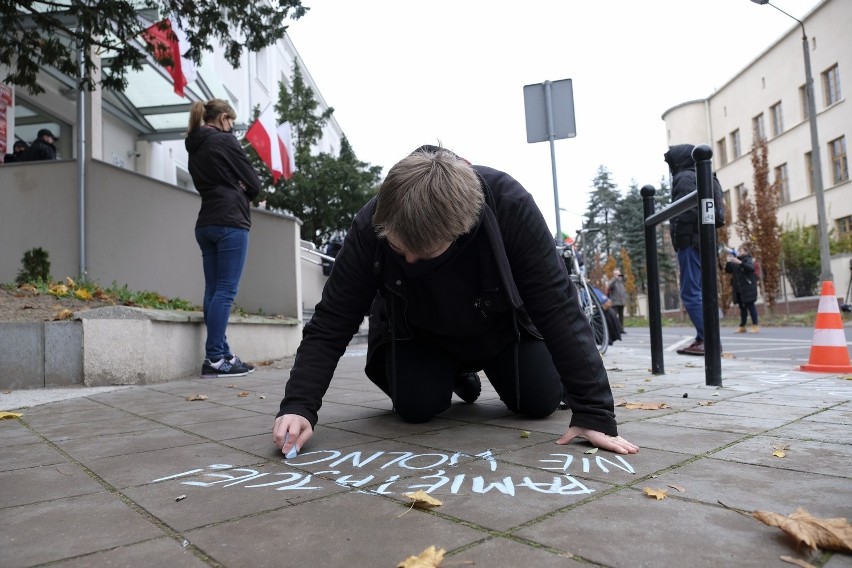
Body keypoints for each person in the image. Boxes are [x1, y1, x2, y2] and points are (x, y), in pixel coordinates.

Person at [273, 146, 639, 457]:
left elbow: (558, 306)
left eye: (425, 253)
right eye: (400, 250)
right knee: (415, 408)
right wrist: (299, 406)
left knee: (539, 403)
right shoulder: (371, 222)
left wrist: (593, 411)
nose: (410, 262)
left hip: (501, 329)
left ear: (462, 229)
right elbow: (333, 318)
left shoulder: (509, 205)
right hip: (419, 333)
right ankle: (454, 376)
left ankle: (477, 372)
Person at [185, 99, 261, 378]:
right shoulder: (225, 141)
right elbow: (253, 181)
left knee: (213, 290)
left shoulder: (195, 144)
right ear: (224, 118)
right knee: (226, 291)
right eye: (232, 122)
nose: (233, 128)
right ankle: (215, 358)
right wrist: (243, 188)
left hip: (206, 222)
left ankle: (223, 353)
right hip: (230, 220)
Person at [665, 143, 722, 356]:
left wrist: (681, 239)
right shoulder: (701, 174)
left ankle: (709, 340)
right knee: (702, 292)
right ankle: (703, 338)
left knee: (691, 293)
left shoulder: (685, 177)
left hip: (691, 241)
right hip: (703, 241)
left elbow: (687, 212)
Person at [726, 244, 759, 333]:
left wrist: (740, 263)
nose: (739, 252)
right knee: (742, 308)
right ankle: (742, 326)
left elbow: (751, 268)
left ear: (746, 252)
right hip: (739, 289)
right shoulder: (737, 261)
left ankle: (755, 325)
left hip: (748, 288)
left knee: (751, 306)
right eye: (739, 250)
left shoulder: (748, 259)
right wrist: (729, 262)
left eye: (741, 251)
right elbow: (728, 270)